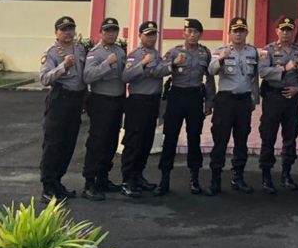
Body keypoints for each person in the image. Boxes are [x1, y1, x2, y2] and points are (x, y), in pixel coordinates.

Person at [156, 18, 211, 196]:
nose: (192, 35)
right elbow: (158, 71)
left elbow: (210, 79)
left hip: (195, 97)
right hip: (176, 97)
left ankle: (194, 178)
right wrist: (173, 64)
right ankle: (164, 179)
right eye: (189, 31)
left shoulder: (205, 53)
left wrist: (209, 102)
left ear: (200, 35)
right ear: (183, 33)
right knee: (170, 137)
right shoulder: (174, 52)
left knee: (194, 137)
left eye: (196, 32)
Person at [207, 16, 260, 196]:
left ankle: (238, 177)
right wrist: (221, 59)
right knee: (220, 140)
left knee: (241, 140)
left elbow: (254, 77)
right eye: (235, 31)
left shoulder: (252, 52)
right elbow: (211, 70)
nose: (238, 34)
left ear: (246, 33)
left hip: (244, 101)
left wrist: (254, 99)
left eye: (241, 31)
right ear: (229, 33)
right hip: (225, 102)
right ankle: (215, 180)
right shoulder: (220, 50)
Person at [120, 20, 171, 198]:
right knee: (133, 141)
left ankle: (138, 175)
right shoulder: (135, 55)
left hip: (152, 101)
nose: (151, 38)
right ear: (140, 36)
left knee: (146, 141)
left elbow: (159, 72)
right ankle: (127, 180)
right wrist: (142, 64)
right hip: (138, 102)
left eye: (154, 34)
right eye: (148, 34)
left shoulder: (156, 54)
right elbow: (125, 76)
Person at [39, 15, 87, 203]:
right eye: (64, 29)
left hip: (76, 101)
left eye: (71, 29)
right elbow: (44, 79)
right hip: (60, 100)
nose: (68, 32)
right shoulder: (51, 52)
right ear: (56, 32)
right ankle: (47, 186)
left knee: (68, 144)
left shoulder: (79, 48)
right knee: (53, 144)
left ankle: (57, 182)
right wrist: (63, 66)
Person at [257, 15, 298, 193]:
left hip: (291, 98)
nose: (286, 33)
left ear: (293, 32)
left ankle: (286, 173)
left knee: (291, 135)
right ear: (277, 31)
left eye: (289, 30)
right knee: (268, 135)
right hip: (273, 96)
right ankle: (266, 175)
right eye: (283, 29)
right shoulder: (268, 50)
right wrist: (285, 68)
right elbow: (263, 72)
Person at [81, 16, 126, 201]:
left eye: (114, 30)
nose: (111, 34)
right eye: (107, 30)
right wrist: (106, 63)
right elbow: (88, 76)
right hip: (101, 101)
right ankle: (89, 182)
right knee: (97, 142)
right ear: (101, 32)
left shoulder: (120, 52)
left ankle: (103, 177)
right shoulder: (95, 53)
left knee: (111, 141)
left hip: (117, 101)